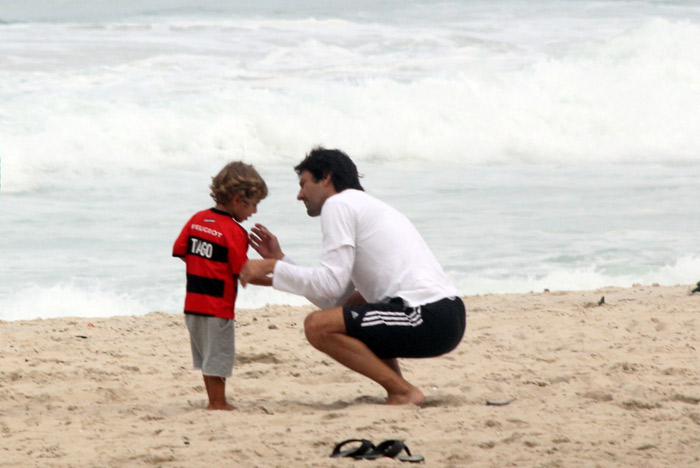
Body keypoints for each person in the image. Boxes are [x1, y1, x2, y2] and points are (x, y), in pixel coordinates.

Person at [240, 148, 465, 405]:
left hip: (427, 315)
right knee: (351, 307)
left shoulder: (339, 204)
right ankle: (400, 389)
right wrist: (280, 262)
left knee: (316, 326)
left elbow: (329, 284)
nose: (299, 195)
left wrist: (270, 267)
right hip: (447, 315)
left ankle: (402, 391)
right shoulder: (364, 205)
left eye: (303, 184)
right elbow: (336, 299)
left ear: (325, 178)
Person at [173, 161, 269, 410]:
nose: (254, 212)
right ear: (238, 199)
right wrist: (278, 276)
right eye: (254, 204)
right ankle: (218, 403)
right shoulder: (235, 232)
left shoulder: (196, 220)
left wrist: (203, 266)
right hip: (218, 306)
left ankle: (214, 399)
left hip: (193, 303)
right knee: (218, 357)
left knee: (207, 357)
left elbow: (181, 251)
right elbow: (246, 273)